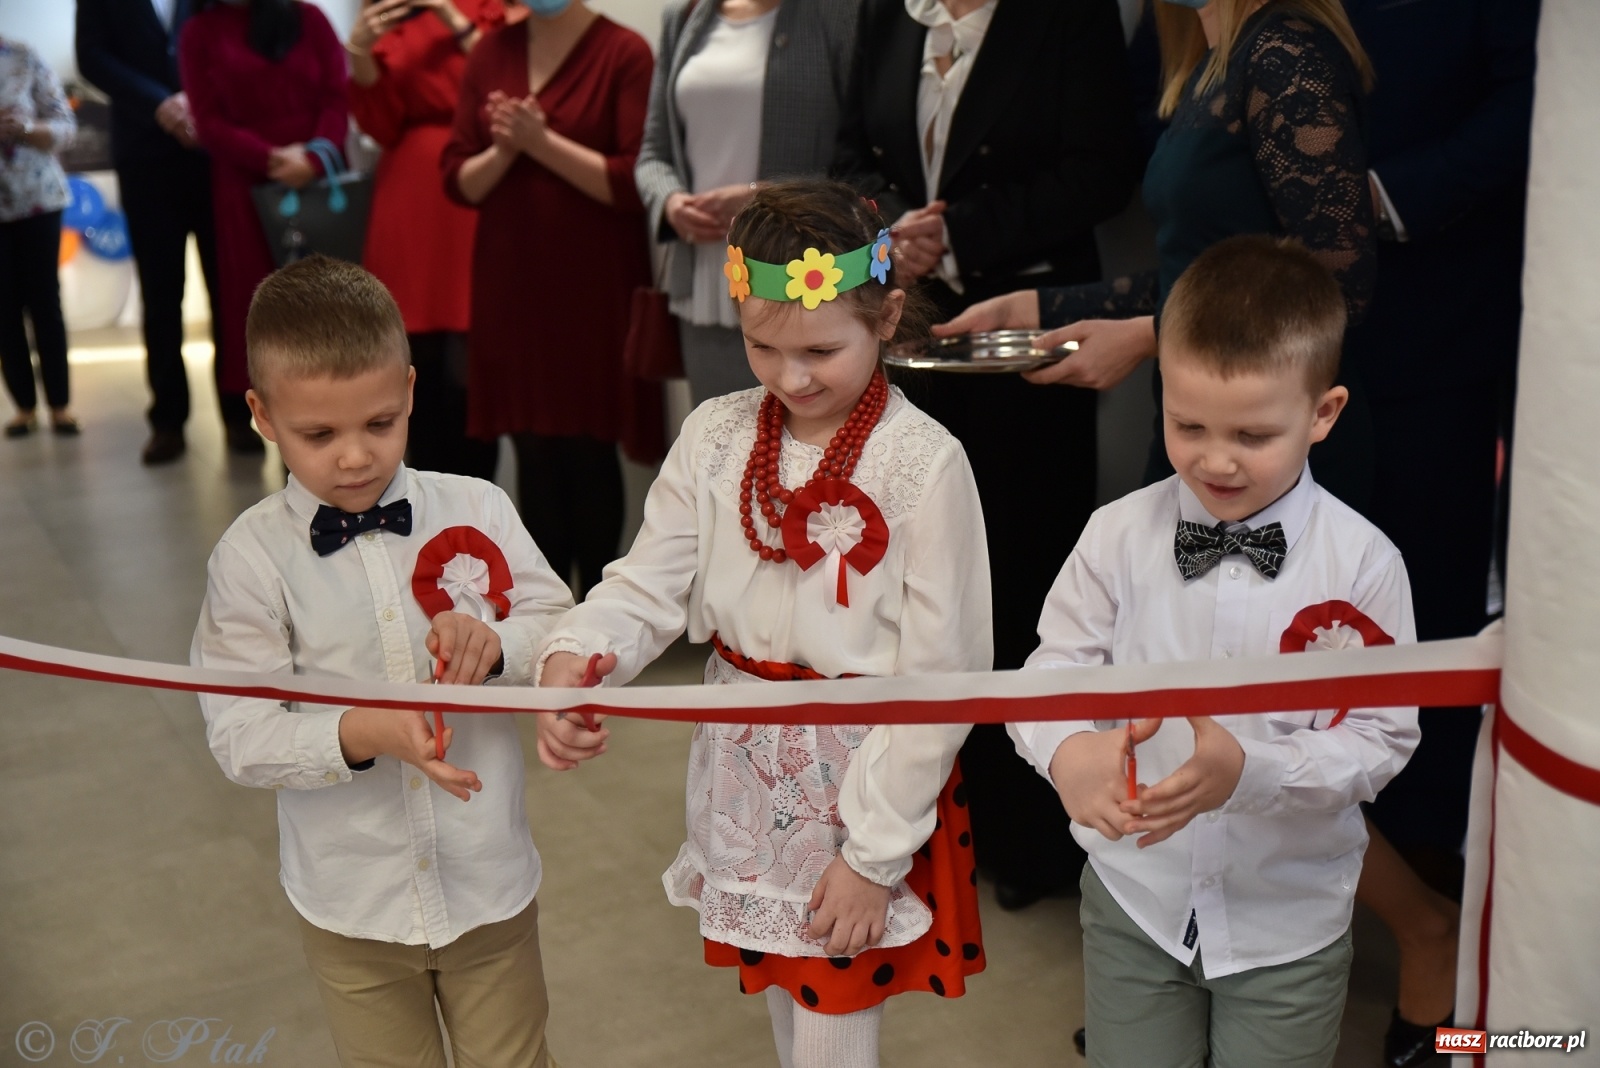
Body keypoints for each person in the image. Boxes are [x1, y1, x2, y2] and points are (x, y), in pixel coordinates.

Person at [536, 181, 990, 1068]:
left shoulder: (926, 466)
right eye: (761, 346)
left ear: (888, 316)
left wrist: (873, 854)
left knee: (834, 1010)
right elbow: (648, 583)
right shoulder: (715, 436)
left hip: (862, 781)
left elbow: (945, 679)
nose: (791, 377)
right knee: (792, 992)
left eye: (822, 348)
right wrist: (577, 653)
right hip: (744, 766)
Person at [1008, 235, 1419, 1068]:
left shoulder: (1365, 564)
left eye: (1253, 434)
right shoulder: (1117, 534)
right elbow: (1051, 672)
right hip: (1135, 897)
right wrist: (1067, 751)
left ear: (1324, 414)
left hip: (1286, 920)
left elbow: (1381, 737)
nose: (1215, 458)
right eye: (1187, 425)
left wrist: (1255, 772)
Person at [192, 255, 574, 1067]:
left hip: (488, 886)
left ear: (406, 390)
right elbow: (240, 735)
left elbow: (563, 628)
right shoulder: (251, 561)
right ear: (261, 414)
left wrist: (501, 644)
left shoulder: (479, 504)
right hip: (351, 905)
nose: (356, 458)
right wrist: (362, 732)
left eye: (379, 423)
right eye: (318, 435)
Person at [831, 0, 1144, 910]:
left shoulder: (1064, 19)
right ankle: (918, 822)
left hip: (1024, 337)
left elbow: (1102, 170)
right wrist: (893, 231)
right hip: (905, 328)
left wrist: (963, 232)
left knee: (1019, 585)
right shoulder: (889, 14)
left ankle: (1026, 838)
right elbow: (852, 157)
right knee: (911, 584)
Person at [943, 0, 1377, 509]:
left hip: (1273, 445)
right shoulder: (1216, 58)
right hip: (1198, 427)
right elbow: (1200, 270)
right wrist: (1041, 308)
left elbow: (1336, 290)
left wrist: (1146, 337)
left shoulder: (1286, 52)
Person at [1339, 2, 1539, 1064]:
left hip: (1434, 324)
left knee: (1422, 616)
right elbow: (1170, 79)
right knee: (1236, 634)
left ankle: (1427, 935)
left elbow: (1536, 93)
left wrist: (1376, 199)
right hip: (1258, 334)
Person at [442, 0, 655, 599]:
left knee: (589, 448)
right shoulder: (490, 52)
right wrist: (507, 150)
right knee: (530, 449)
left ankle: (595, 611)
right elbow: (458, 177)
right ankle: (546, 612)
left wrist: (538, 142)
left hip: (593, 288)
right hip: (513, 285)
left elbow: (631, 181)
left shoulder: (624, 52)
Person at [634, 0, 859, 406]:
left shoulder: (838, 14)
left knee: (814, 448)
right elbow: (653, 152)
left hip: (807, 276)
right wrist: (671, 202)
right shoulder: (684, 19)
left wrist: (762, 197)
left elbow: (861, 154)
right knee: (720, 450)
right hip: (705, 283)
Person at [179, 0, 348, 454]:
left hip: (317, 183)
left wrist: (312, 157)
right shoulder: (200, 32)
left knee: (331, 306)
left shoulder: (309, 18)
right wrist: (272, 160)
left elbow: (337, 94)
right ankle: (292, 432)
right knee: (264, 312)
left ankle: (345, 415)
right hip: (246, 190)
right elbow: (208, 120)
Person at [346, 0, 504, 481]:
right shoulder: (387, 17)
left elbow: (502, 82)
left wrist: (448, 15)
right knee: (412, 363)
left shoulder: (488, 11)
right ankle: (421, 490)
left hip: (475, 184)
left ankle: (479, 499)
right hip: (409, 199)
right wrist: (360, 52)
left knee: (473, 364)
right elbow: (381, 124)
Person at [76, 0, 223, 465]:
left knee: (231, 290)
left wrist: (200, 104)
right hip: (144, 155)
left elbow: (231, 44)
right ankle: (168, 421)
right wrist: (158, 103)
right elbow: (92, 57)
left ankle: (242, 414)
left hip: (214, 150)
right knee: (162, 297)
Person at [0, 35, 78, 439]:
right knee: (4, 309)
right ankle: (24, 408)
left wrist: (27, 128)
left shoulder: (23, 56)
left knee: (45, 302)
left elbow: (67, 127)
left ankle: (60, 406)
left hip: (39, 200)